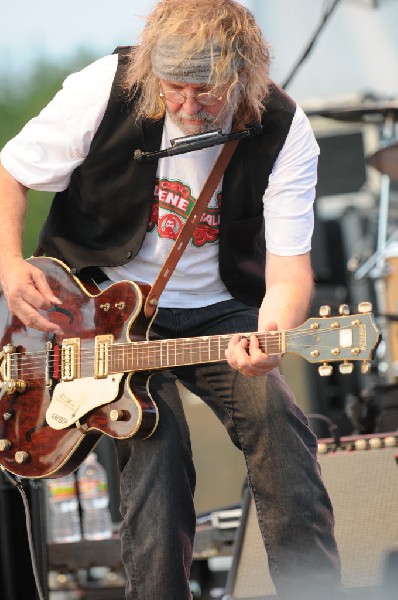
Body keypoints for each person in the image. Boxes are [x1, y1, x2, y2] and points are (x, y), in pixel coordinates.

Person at [0, 1, 346, 598]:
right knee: (155, 457)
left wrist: (270, 336)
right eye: (173, 88)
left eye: (205, 91)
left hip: (223, 310)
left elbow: (289, 274)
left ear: (243, 74)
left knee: (278, 422)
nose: (187, 107)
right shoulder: (103, 89)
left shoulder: (286, 127)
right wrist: (8, 264)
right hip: (97, 308)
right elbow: (12, 169)